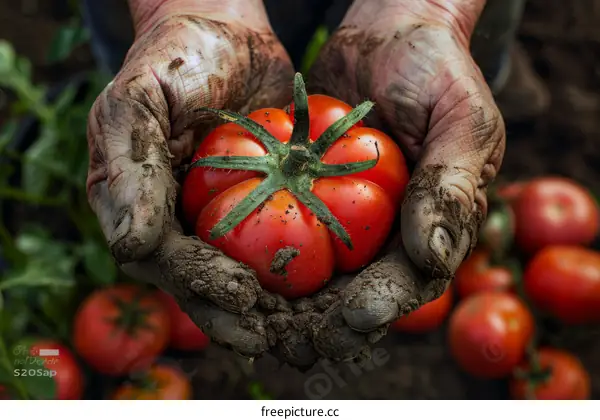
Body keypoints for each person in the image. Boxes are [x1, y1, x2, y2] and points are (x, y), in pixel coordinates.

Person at [83, 0, 546, 367]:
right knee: (144, 63)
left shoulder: (247, 155)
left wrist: (428, 11)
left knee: (463, 74)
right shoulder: (360, 161)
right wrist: (180, 10)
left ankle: (479, 67)